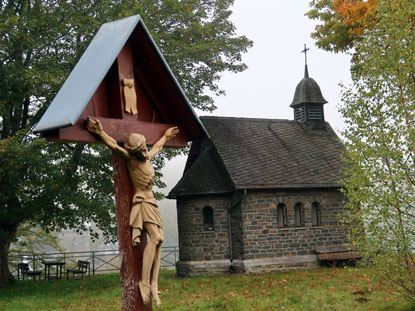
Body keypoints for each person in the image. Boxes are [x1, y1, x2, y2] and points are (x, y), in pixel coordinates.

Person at [86, 117, 179, 307]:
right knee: (154, 238)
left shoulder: (146, 158)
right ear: (134, 152)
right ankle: (143, 282)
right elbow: (113, 145)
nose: (145, 152)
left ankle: (153, 283)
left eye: (145, 148)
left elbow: (158, 148)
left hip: (151, 202)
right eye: (142, 150)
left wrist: (165, 136)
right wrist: (100, 132)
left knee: (160, 239)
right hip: (142, 203)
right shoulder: (132, 162)